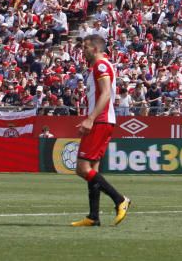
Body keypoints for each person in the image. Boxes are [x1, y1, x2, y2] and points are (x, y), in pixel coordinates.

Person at [70, 35, 131, 227]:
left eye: (86, 47)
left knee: (82, 168)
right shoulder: (98, 67)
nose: (83, 51)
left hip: (101, 121)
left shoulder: (101, 66)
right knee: (93, 170)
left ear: (95, 49)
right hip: (102, 120)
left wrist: (90, 118)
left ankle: (120, 199)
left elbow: (105, 94)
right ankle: (93, 216)